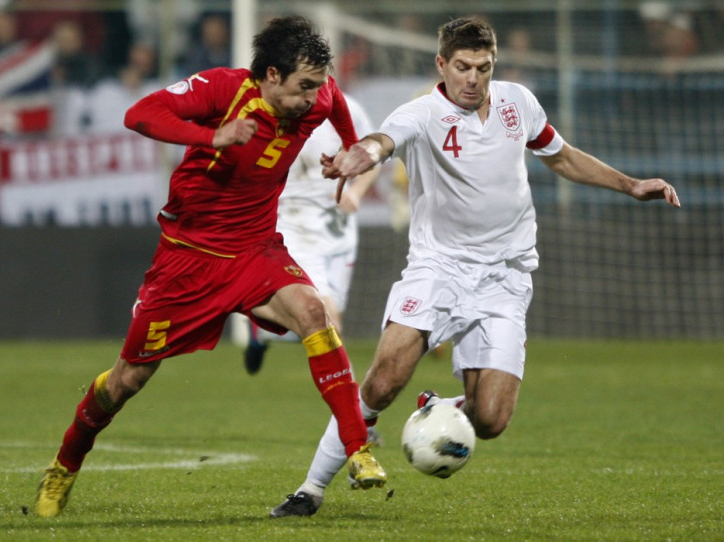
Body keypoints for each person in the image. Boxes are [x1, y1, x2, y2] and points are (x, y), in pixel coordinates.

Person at [270, 16, 680, 518]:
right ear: (441, 64)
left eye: (482, 68)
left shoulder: (518, 104)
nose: (472, 79)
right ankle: (310, 490)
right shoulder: (420, 114)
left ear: (493, 65)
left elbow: (562, 156)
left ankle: (436, 409)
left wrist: (631, 184)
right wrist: (359, 156)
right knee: (380, 384)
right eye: (462, 67)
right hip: (438, 269)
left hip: (505, 277)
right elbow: (382, 142)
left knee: (489, 421)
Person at [34, 15, 386, 519]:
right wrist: (208, 138)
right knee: (127, 380)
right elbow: (139, 113)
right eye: (302, 87)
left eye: (316, 86)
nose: (312, 98)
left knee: (314, 313)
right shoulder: (224, 89)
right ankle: (65, 464)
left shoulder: (317, 95)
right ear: (269, 75)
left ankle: (358, 450)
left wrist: (351, 151)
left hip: (255, 249)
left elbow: (337, 106)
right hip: (188, 259)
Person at [243, 94, 380, 374]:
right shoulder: (279, 108)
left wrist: (356, 191)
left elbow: (373, 158)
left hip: (338, 229)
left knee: (321, 321)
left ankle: (264, 330)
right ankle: (351, 409)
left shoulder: (350, 110)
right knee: (330, 321)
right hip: (295, 224)